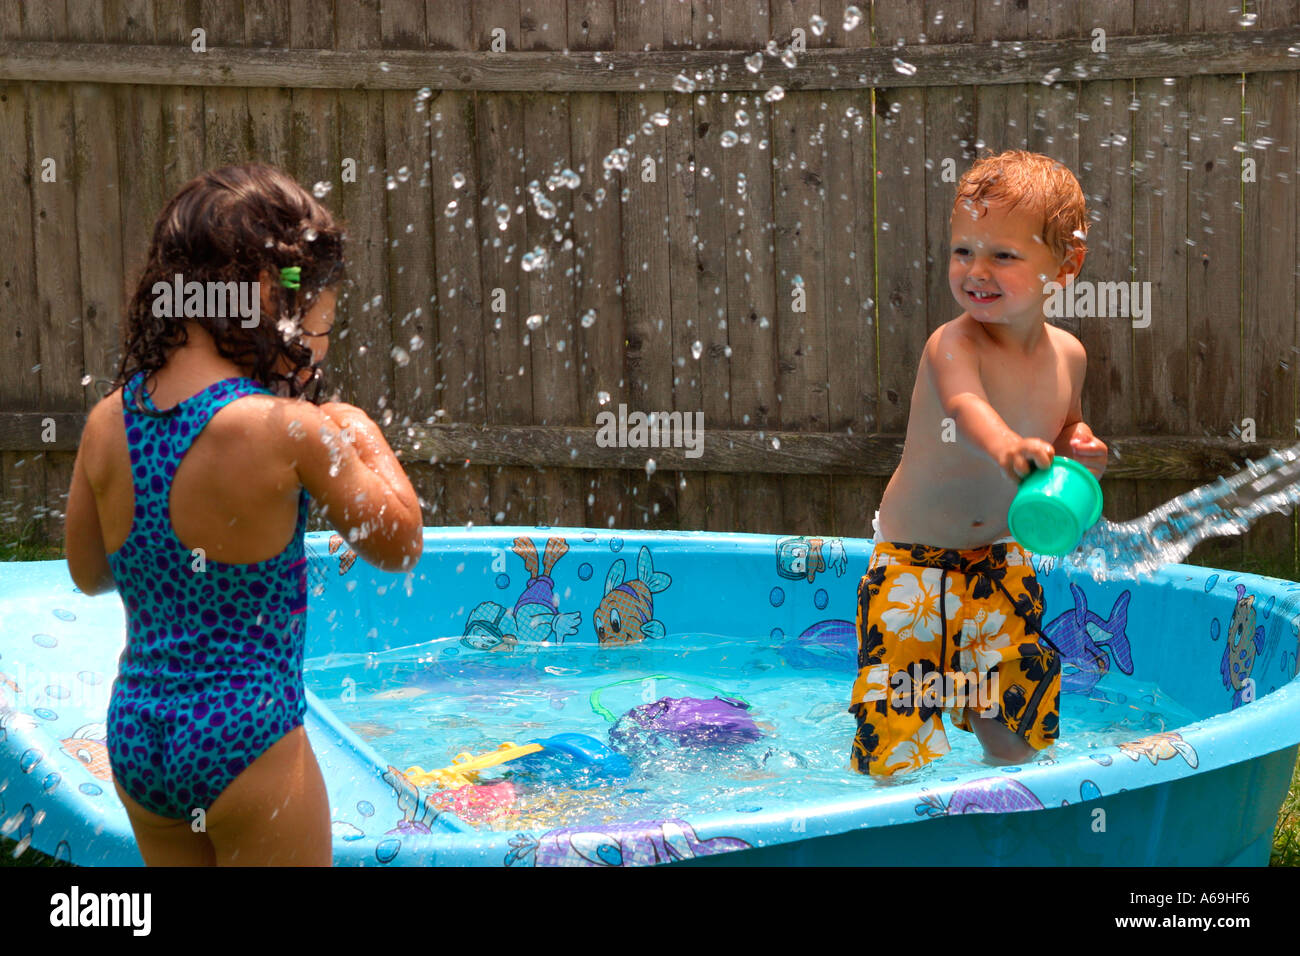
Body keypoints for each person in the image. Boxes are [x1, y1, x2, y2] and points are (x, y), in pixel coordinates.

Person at [64, 164, 423, 864]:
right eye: (317, 324)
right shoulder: (288, 430)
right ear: (271, 292)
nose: (315, 350)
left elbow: (87, 572)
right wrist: (357, 428)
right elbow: (399, 541)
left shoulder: (109, 421)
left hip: (141, 734)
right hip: (247, 740)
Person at [849, 150, 1109, 777]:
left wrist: (1079, 444)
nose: (976, 271)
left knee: (1014, 716)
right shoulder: (954, 342)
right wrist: (1008, 447)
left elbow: (1067, 418)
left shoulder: (1068, 355)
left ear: (1065, 265)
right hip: (914, 562)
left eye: (1004, 255)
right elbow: (968, 408)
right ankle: (894, 820)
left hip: (1001, 556)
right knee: (899, 721)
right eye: (963, 250)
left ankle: (1010, 813)